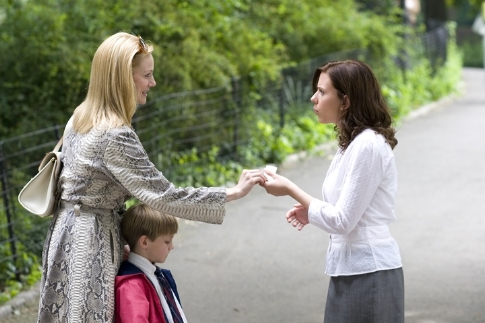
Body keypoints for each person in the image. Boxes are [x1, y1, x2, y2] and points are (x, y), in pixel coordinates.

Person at [37, 32, 265, 323]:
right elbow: (164, 196)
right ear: (122, 78)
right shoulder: (115, 135)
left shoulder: (80, 118)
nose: (152, 83)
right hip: (89, 243)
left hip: (66, 233)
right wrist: (231, 192)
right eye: (147, 75)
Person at [262, 60, 404, 322]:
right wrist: (312, 212)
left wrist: (291, 189)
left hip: (370, 272)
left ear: (346, 101)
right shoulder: (351, 144)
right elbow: (344, 213)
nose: (313, 98)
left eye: (322, 92)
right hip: (350, 270)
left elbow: (343, 221)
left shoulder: (368, 145)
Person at [115, 203, 184, 323]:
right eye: (167, 241)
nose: (172, 246)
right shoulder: (131, 286)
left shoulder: (160, 276)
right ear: (145, 242)